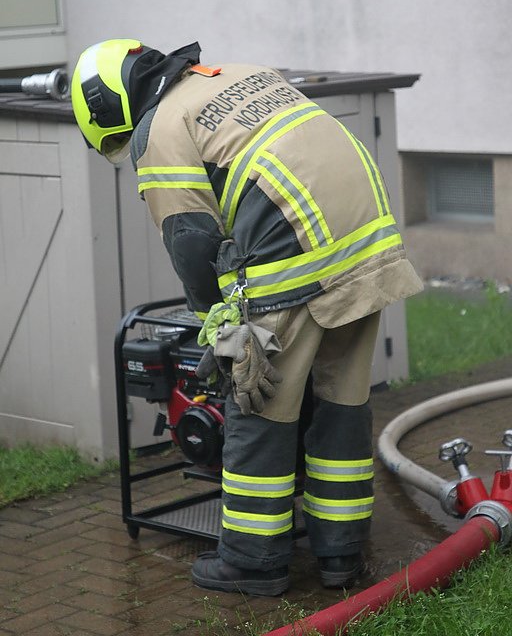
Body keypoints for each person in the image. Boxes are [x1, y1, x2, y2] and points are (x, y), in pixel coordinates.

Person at [71, 38, 423, 597]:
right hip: (365, 237)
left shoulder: (160, 128)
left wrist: (222, 327)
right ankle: (341, 555)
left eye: (116, 139)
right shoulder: (235, 73)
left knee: (257, 402)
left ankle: (252, 562)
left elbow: (189, 239)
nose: (125, 146)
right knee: (341, 400)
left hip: (294, 246)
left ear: (110, 108)